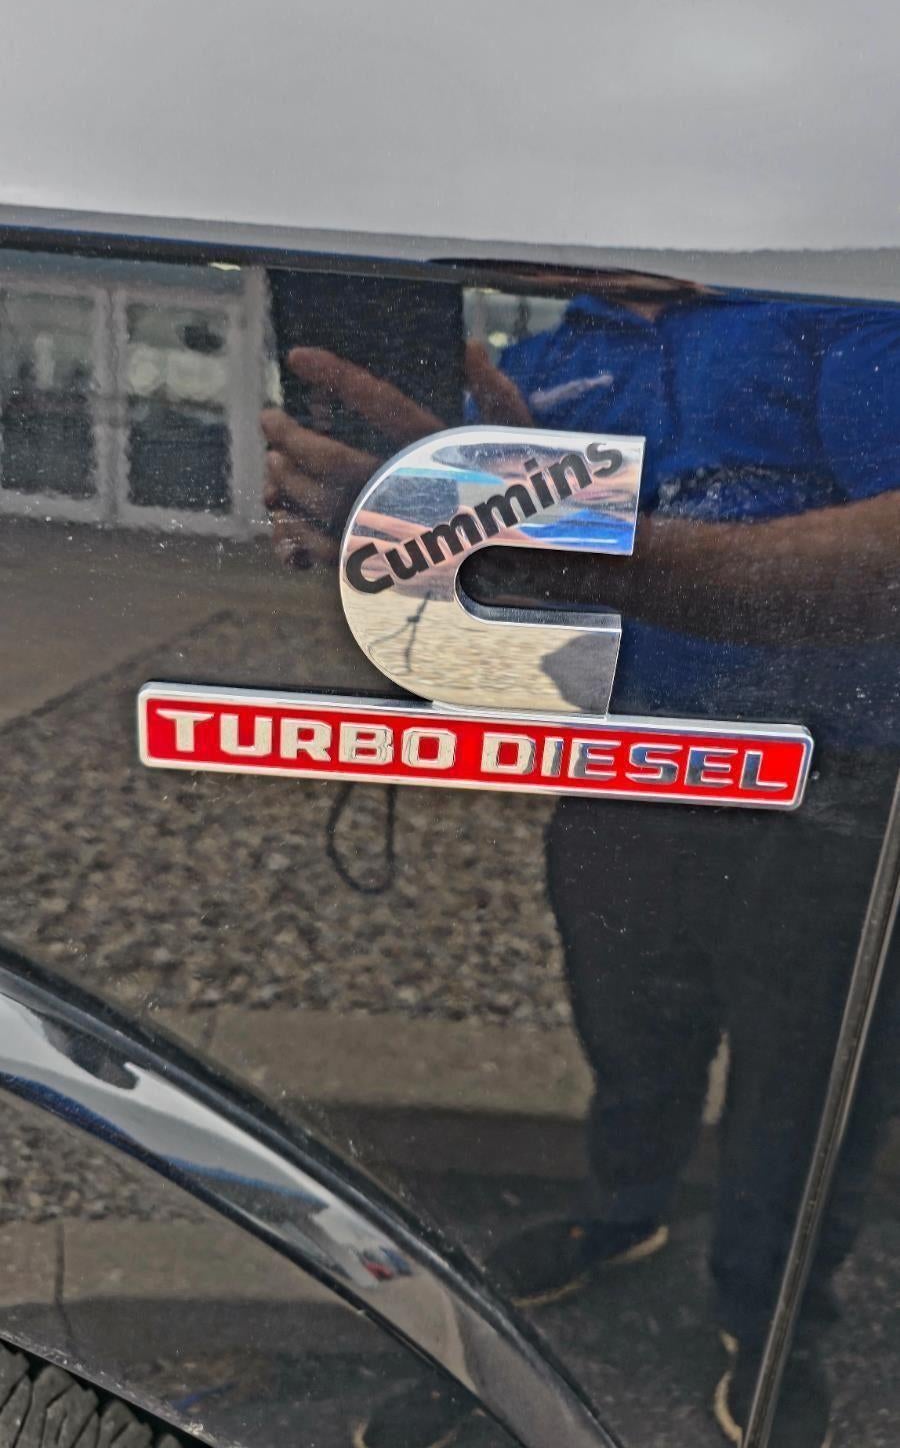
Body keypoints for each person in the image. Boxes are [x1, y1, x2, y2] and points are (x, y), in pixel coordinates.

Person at [262, 267, 899, 1448]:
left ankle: (775, 1318)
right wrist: (387, 549)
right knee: (627, 1026)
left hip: (831, 788)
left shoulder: (833, 308)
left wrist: (548, 542)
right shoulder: (544, 363)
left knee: (808, 1089)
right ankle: (624, 1208)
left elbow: (887, 566)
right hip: (622, 771)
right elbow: (480, 642)